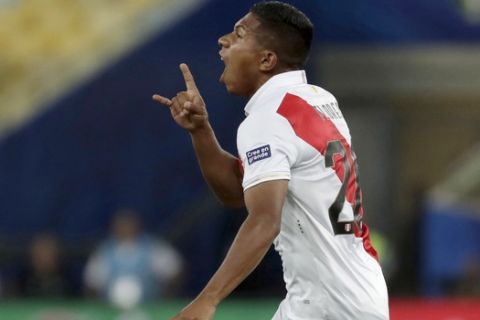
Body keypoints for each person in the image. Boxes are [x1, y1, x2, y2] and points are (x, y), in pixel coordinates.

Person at [153, 1, 389, 319]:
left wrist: (208, 299)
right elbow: (238, 192)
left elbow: (264, 219)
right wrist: (201, 130)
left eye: (238, 34)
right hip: (359, 287)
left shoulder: (269, 119)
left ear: (266, 59)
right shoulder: (319, 100)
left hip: (326, 301)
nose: (223, 40)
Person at [83, 208, 183, 309]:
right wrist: (97, 306)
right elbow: (92, 283)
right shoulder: (104, 252)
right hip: (111, 311)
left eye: (128, 224)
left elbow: (174, 272)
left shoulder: (153, 248)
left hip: (150, 309)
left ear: (137, 225)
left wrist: (165, 299)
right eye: (121, 224)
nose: (124, 228)